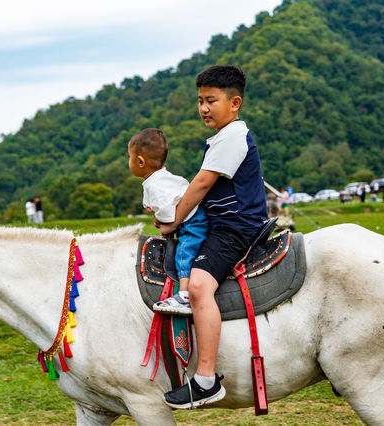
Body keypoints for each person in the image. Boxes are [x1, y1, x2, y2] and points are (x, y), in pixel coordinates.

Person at [158, 65, 268, 409]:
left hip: (236, 227)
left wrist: (173, 220)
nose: (204, 108)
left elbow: (202, 184)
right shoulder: (222, 137)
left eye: (212, 100)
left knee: (199, 287)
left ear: (235, 103)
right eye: (200, 101)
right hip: (222, 223)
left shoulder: (233, 137)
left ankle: (205, 380)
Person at [127, 128, 208, 315]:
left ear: (140, 161)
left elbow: (166, 211)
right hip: (191, 216)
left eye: (129, 158)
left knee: (184, 253)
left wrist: (161, 222)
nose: (128, 162)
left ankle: (185, 295)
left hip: (194, 221)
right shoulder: (159, 178)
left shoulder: (156, 185)